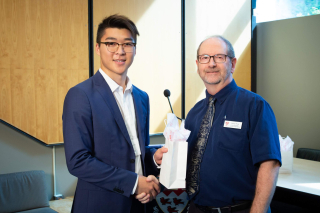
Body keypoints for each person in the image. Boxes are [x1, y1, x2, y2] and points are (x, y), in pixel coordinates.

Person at [63, 14, 167, 213]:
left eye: (127, 44)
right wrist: (134, 183)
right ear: (98, 48)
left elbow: (135, 153)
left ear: (135, 49)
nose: (120, 51)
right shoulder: (80, 95)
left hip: (139, 205)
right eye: (111, 43)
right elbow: (78, 161)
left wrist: (153, 159)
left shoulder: (141, 97)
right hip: (99, 206)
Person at [185, 35, 281, 213]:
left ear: (233, 64)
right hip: (196, 209)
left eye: (219, 57)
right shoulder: (194, 113)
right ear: (198, 65)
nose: (211, 63)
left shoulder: (255, 106)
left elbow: (270, 164)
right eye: (205, 58)